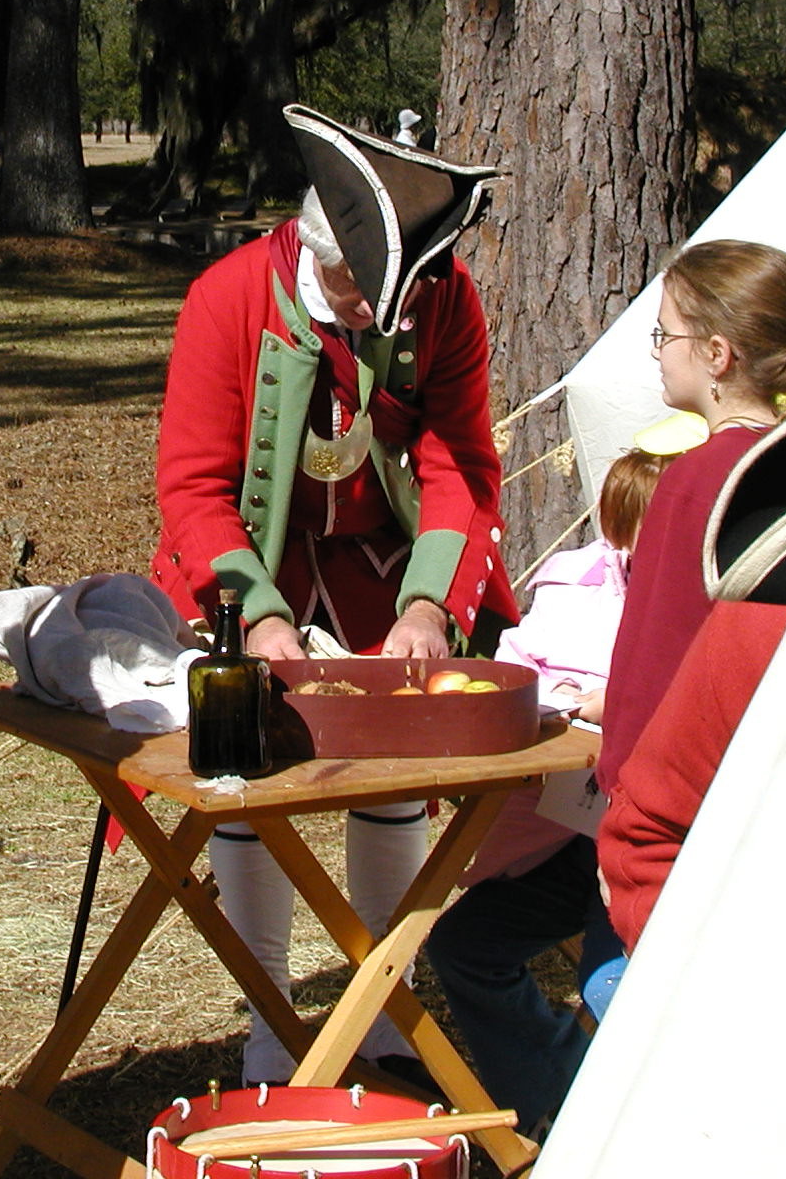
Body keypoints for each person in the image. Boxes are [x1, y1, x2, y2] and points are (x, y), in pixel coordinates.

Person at [150, 103, 518, 1085]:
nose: (383, 314)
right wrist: (258, 619)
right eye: (362, 292)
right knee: (243, 765)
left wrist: (428, 606)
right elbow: (193, 488)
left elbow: (460, 463)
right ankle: (270, 1028)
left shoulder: (442, 297)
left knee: (397, 766)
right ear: (321, 251)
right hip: (244, 575)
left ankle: (385, 1018)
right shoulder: (227, 297)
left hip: (380, 576)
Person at [577, 239, 786, 1015]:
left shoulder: (697, 481)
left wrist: (623, 817)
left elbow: (654, 665)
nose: (657, 352)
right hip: (782, 805)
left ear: (717, 355)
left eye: (664, 334)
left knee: (623, 996)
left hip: (684, 819)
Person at [421, 447, 668, 1135]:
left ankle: (646, 1136)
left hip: (650, 836)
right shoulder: (579, 584)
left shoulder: (709, 599)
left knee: (612, 985)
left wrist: (613, 702)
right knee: (467, 946)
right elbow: (520, 661)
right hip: (565, 827)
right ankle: (558, 1103)